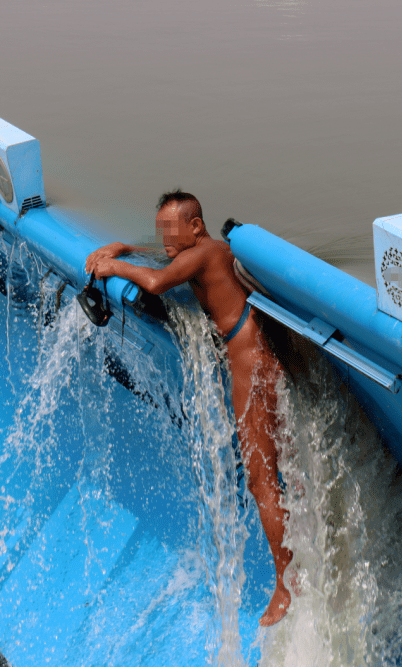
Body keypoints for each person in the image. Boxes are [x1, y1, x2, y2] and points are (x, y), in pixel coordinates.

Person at [84, 190, 293, 626]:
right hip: (255, 356)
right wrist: (125, 247)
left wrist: (113, 266)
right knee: (275, 473)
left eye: (172, 232)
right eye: (162, 234)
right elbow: (165, 260)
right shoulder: (208, 251)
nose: (165, 242)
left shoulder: (203, 254)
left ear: (196, 227)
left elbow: (159, 281)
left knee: (261, 481)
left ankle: (287, 586)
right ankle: (297, 565)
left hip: (249, 364)